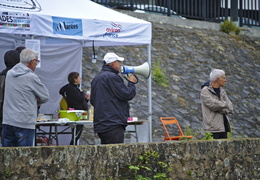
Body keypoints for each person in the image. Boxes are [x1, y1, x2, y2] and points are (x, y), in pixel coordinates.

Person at [1, 49, 49, 147]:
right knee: (25, 157)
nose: (36, 65)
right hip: (24, 121)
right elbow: (45, 96)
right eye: (37, 61)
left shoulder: (9, 74)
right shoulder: (31, 77)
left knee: (7, 157)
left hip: (8, 120)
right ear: (32, 62)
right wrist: (36, 99)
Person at [90, 52, 137, 144]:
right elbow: (127, 94)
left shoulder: (96, 78)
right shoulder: (112, 77)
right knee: (116, 154)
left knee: (106, 154)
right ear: (113, 63)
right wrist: (131, 83)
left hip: (101, 124)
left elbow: (93, 101)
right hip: (113, 123)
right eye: (118, 62)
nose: (120, 65)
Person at [0, 47, 26, 141]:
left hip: (4, 117)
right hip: (18, 116)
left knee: (6, 146)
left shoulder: (2, 75)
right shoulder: (20, 76)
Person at [200, 69, 233, 139]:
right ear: (217, 79)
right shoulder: (205, 91)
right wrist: (224, 104)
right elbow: (213, 105)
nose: (225, 80)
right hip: (212, 129)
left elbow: (230, 108)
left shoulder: (222, 91)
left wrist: (219, 107)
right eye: (223, 78)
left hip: (223, 127)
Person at [59, 72, 90, 145]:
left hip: (80, 112)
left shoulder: (74, 88)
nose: (80, 79)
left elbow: (80, 101)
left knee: (77, 133)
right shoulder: (71, 88)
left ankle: (73, 146)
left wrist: (86, 99)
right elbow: (79, 99)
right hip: (76, 113)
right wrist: (82, 93)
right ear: (75, 79)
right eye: (79, 77)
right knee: (76, 133)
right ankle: (72, 147)